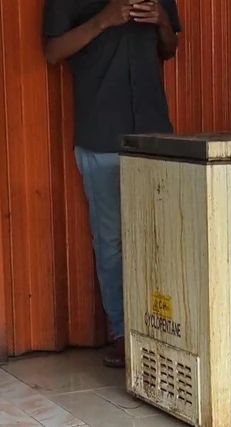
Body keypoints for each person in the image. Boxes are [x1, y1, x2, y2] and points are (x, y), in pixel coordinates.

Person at [42, 0, 181, 368]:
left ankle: (165, 332)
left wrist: (163, 22)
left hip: (154, 135)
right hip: (102, 135)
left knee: (162, 238)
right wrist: (102, 21)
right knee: (112, 242)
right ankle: (123, 335)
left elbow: (169, 49)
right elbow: (53, 52)